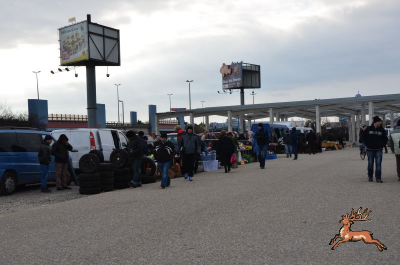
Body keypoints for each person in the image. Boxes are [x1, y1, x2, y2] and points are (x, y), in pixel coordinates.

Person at [361, 116, 388, 183]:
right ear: (375, 122)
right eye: (379, 122)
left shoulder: (382, 130)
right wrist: (367, 144)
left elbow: (385, 138)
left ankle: (378, 178)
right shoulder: (368, 129)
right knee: (370, 163)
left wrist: (382, 144)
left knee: (378, 164)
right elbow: (363, 137)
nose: (380, 123)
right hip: (370, 149)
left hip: (379, 149)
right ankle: (370, 176)